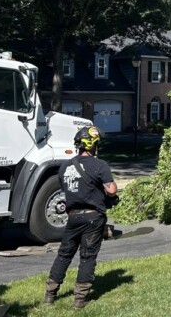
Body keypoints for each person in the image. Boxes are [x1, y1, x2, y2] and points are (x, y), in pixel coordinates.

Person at [44, 125, 117, 309]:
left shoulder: (65, 166)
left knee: (64, 254)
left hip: (73, 216)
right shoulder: (100, 165)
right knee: (87, 256)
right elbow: (111, 190)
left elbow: (65, 188)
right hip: (93, 216)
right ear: (92, 145)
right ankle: (79, 299)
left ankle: (50, 294)